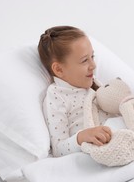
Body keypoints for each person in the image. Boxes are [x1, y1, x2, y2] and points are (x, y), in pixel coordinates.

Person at [38, 25, 113, 157]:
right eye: (85, 60)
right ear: (59, 70)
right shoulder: (56, 95)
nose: (93, 65)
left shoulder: (93, 82)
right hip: (96, 152)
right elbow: (58, 149)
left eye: (92, 57)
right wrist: (82, 137)